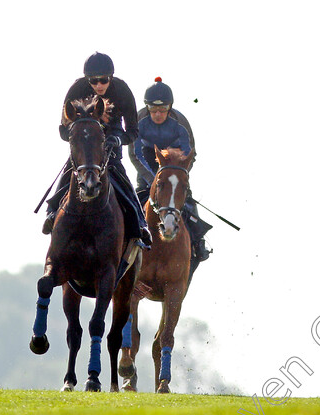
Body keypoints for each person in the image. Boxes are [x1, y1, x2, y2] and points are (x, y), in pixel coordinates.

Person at [43, 52, 152, 247]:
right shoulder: (77, 89)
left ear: (111, 77)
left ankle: (140, 221)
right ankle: (52, 211)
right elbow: (62, 129)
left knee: (118, 171)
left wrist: (118, 140)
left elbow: (133, 131)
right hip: (85, 139)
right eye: (94, 81)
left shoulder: (123, 90)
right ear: (87, 80)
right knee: (72, 168)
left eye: (103, 80)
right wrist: (78, 135)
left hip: (112, 137)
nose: (99, 85)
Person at [129, 77, 212, 262]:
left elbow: (190, 153)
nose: (158, 114)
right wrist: (155, 181)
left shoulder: (181, 122)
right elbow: (134, 154)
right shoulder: (138, 120)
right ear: (147, 107)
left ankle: (198, 243)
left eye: (163, 110)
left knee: (186, 199)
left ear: (170, 107)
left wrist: (178, 176)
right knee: (135, 199)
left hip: (175, 162)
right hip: (148, 160)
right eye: (153, 110)